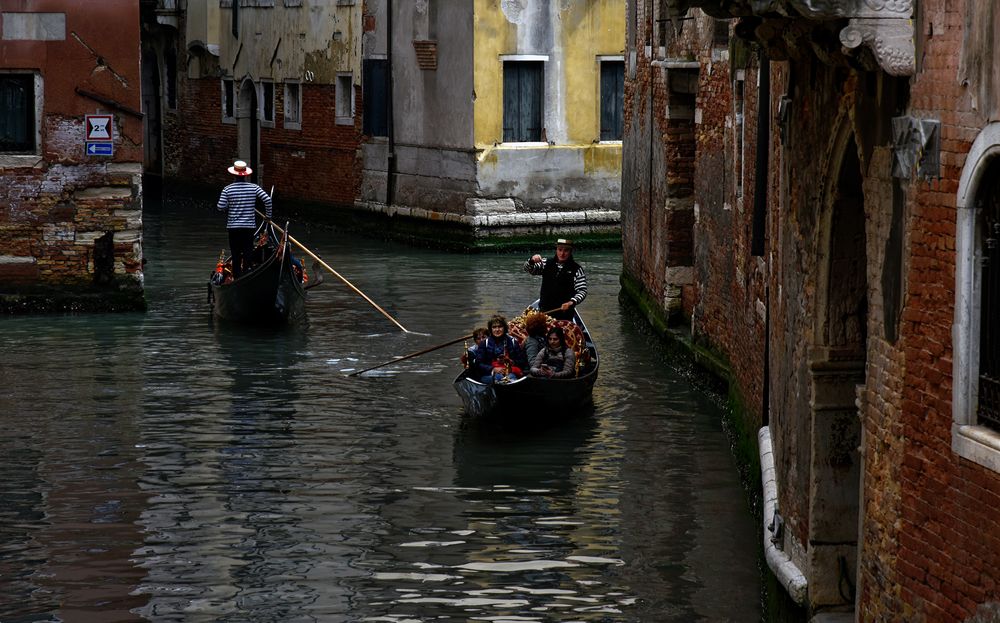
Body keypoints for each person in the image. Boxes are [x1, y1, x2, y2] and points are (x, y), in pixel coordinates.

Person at [217, 160, 272, 277]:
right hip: (248, 227)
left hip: (233, 228)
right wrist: (268, 217)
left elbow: (220, 207)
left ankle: (237, 277)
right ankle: (246, 273)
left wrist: (229, 205)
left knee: (235, 253)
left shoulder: (227, 189)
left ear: (233, 174)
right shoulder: (254, 188)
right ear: (246, 175)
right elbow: (267, 200)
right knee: (248, 251)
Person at [523, 238, 587, 321]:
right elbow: (527, 269)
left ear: (570, 252)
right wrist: (531, 260)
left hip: (564, 314)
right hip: (545, 311)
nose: (562, 253)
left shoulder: (577, 269)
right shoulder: (545, 263)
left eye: (566, 251)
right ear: (556, 250)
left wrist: (572, 302)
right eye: (560, 250)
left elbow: (582, 290)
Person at [470, 314, 527, 384]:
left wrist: (511, 362)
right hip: (489, 375)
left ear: (504, 328)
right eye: (494, 327)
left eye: (500, 327)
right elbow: (479, 364)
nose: (497, 330)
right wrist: (493, 369)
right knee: (498, 378)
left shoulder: (512, 342)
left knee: (510, 378)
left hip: (510, 372)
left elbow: (522, 361)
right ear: (491, 329)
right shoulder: (484, 343)